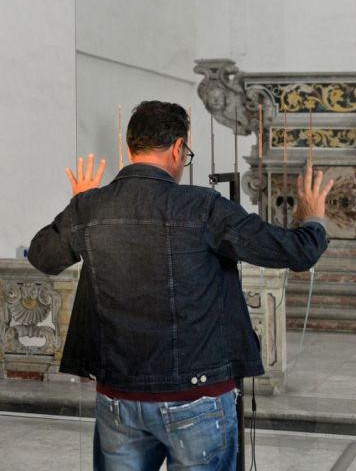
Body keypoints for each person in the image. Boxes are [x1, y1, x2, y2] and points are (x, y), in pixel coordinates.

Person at [28, 100, 333, 470]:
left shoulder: (90, 207)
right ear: (177, 147)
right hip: (197, 395)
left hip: (119, 397)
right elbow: (296, 253)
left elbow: (42, 257)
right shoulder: (202, 207)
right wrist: (313, 219)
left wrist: (78, 203)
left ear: (130, 148)